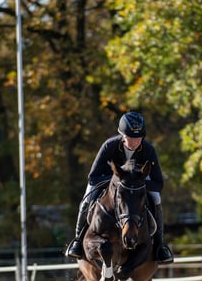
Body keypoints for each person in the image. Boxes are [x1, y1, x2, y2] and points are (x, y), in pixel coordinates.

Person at [65, 111, 174, 264]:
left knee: (156, 199)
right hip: (106, 183)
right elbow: (93, 177)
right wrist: (118, 181)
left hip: (137, 186)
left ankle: (160, 245)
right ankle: (78, 240)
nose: (136, 141)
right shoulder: (109, 146)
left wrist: (136, 184)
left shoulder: (148, 150)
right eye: (131, 137)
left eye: (139, 138)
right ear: (122, 135)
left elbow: (158, 183)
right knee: (87, 199)